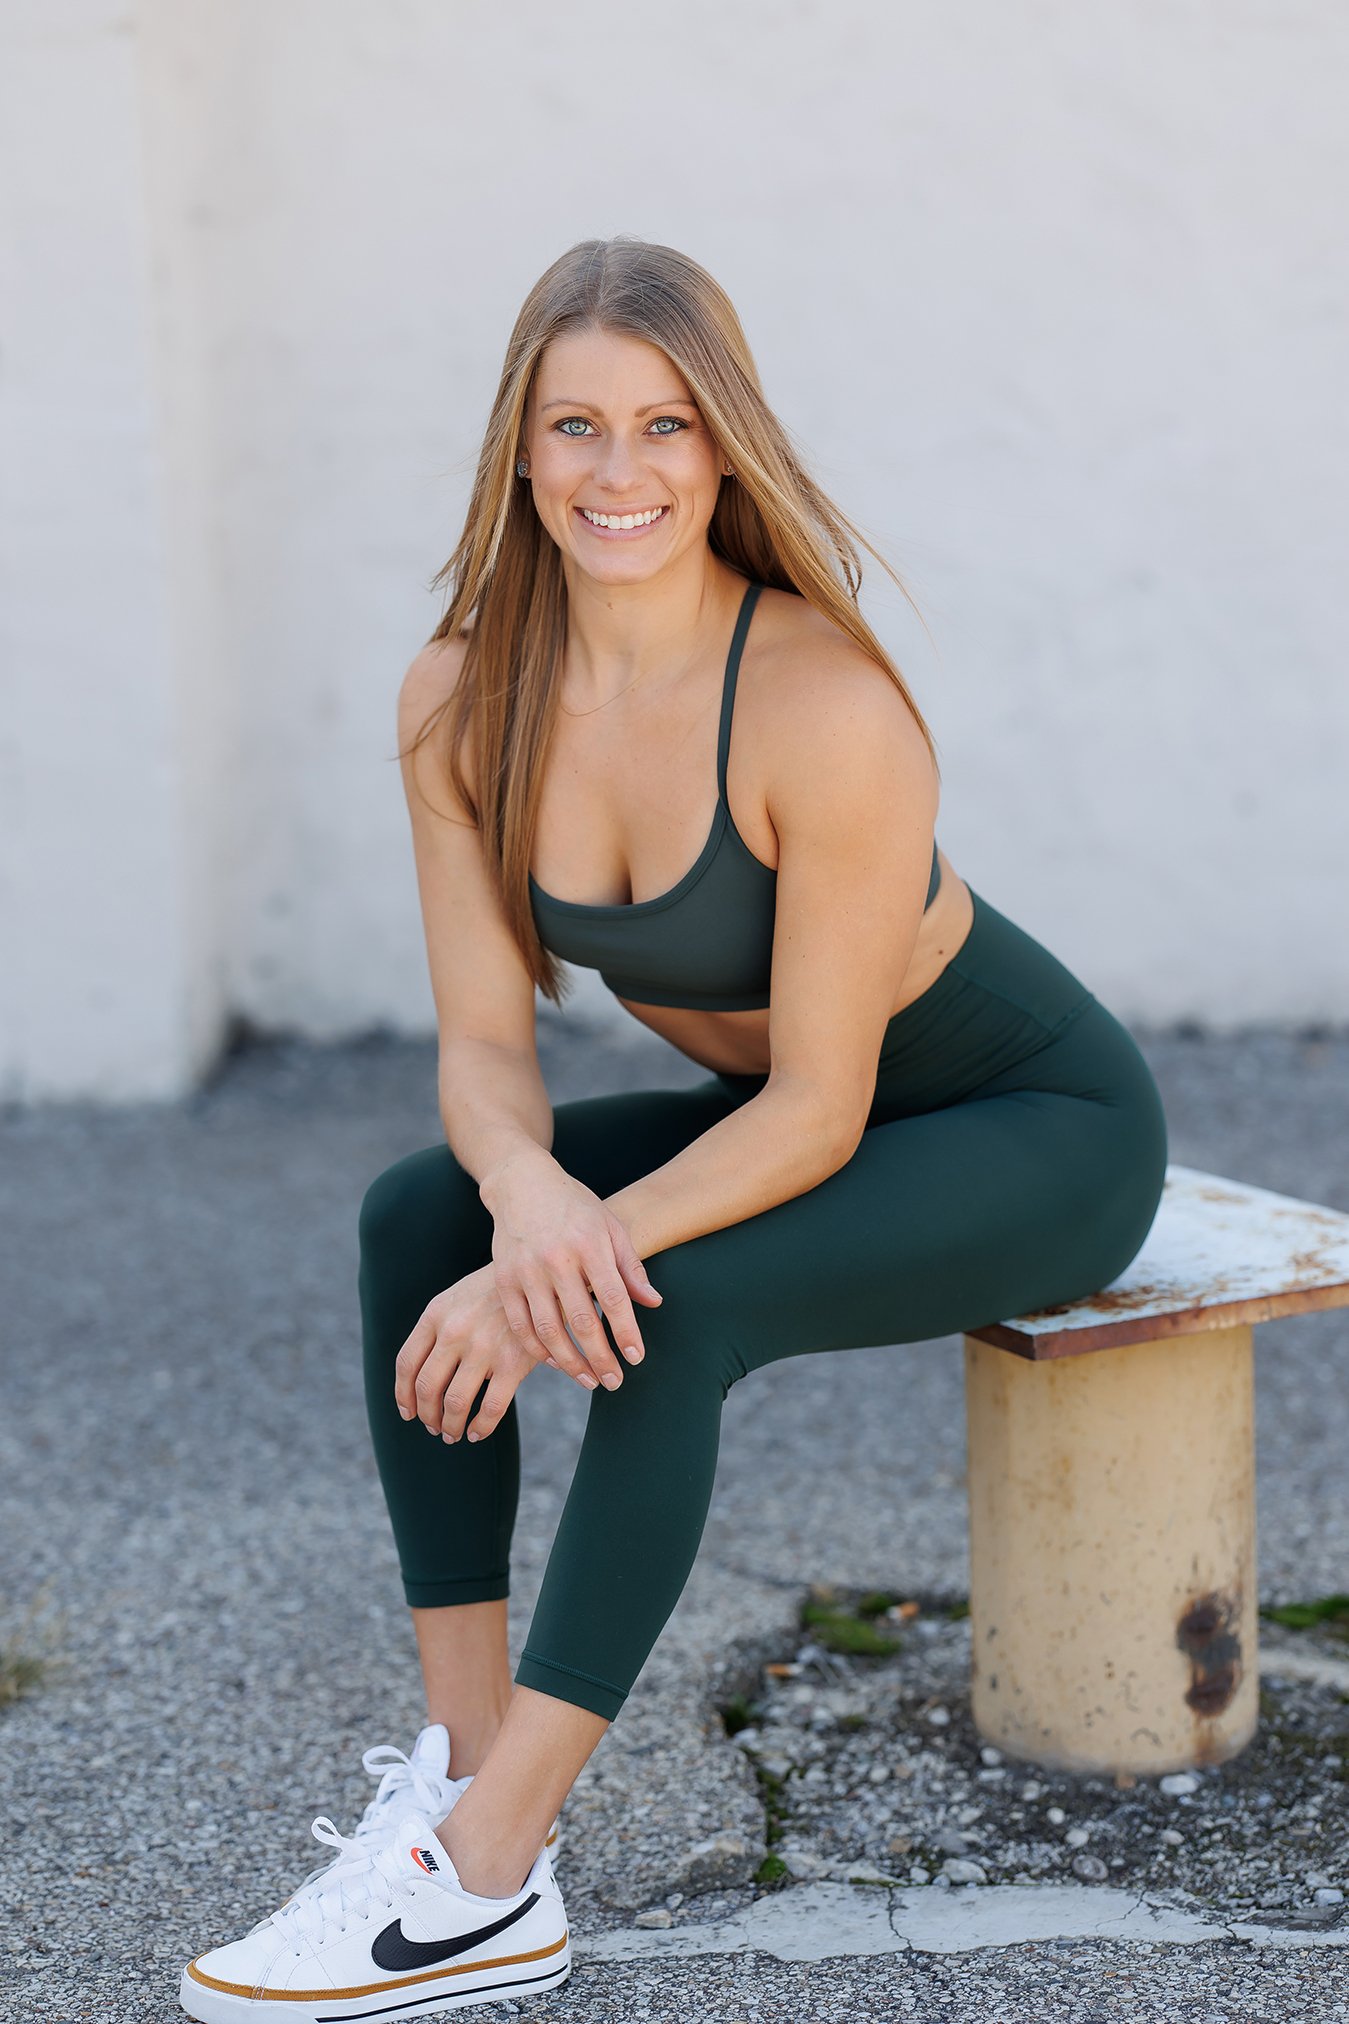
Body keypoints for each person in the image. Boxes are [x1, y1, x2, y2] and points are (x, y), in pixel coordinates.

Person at [180, 235, 1168, 2020]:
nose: (617, 472)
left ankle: (479, 1882)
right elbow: (483, 1052)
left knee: (668, 1313)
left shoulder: (819, 703)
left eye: (663, 425)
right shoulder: (458, 697)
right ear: (520, 447)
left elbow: (817, 1101)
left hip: (1025, 1130)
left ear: (723, 450)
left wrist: (564, 1254)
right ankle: (473, 1790)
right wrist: (522, 1196)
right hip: (803, 1122)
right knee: (423, 1215)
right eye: (575, 425)